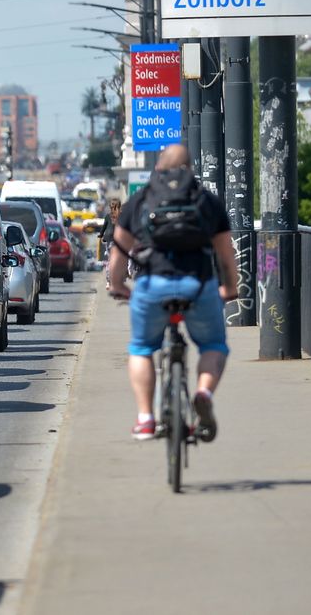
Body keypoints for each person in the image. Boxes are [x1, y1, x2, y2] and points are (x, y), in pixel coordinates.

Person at [107, 144, 239, 442]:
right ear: (190, 169)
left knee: (141, 347)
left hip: (152, 285)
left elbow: (119, 252)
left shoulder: (140, 200)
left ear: (158, 169)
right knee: (214, 344)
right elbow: (226, 254)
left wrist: (118, 286)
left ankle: (145, 418)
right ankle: (203, 391)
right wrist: (230, 287)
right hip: (198, 285)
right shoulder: (207, 201)